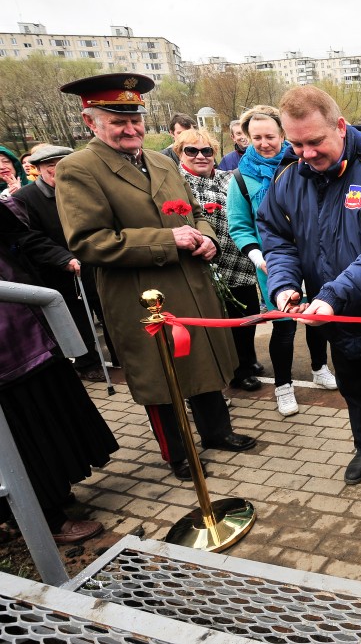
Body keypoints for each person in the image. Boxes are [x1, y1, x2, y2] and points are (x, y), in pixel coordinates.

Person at [55, 73, 257, 483]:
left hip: (192, 286)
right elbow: (90, 242)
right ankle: (177, 453)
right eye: (118, 121)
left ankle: (217, 432)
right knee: (159, 376)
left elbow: (195, 211)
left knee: (202, 362)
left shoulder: (163, 161)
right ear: (90, 122)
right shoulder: (78, 169)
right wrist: (169, 239)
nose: (131, 129)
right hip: (140, 297)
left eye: (136, 120)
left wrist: (206, 236)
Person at [258, 85, 361, 485]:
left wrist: (333, 294)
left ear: (340, 126)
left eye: (315, 141)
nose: (307, 154)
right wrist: (283, 284)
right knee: (355, 384)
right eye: (297, 144)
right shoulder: (287, 177)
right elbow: (277, 238)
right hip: (333, 309)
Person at [0, 198, 119, 544]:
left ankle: (53, 491)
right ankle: (43, 518)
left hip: (28, 329)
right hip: (5, 359)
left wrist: (62, 258)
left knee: (47, 416)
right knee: (15, 431)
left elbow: (21, 236)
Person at [226, 105, 335, 416]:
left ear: (283, 135)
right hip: (272, 264)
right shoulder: (241, 178)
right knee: (284, 326)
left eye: (270, 136)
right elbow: (239, 224)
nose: (264, 143)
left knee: (317, 317)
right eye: (256, 137)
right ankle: (283, 385)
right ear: (246, 138)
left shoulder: (303, 165)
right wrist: (257, 254)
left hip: (315, 260)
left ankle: (319, 367)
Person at [173, 127, 264, 394]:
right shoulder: (176, 184)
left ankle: (245, 364)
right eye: (192, 151)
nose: (200, 156)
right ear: (180, 153)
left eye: (207, 151)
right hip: (205, 270)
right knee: (216, 326)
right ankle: (228, 370)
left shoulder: (230, 178)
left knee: (246, 320)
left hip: (240, 265)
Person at [12, 145, 110, 383]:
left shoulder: (84, 191)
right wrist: (62, 258)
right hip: (59, 271)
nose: (59, 172)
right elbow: (28, 237)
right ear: (38, 170)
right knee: (78, 319)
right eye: (51, 167)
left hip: (95, 263)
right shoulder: (24, 199)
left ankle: (120, 356)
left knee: (108, 311)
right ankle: (88, 364)